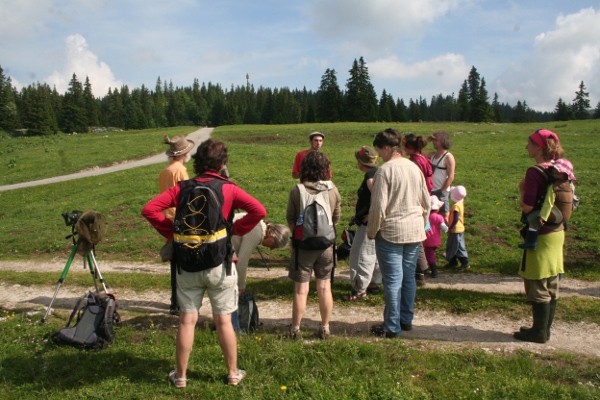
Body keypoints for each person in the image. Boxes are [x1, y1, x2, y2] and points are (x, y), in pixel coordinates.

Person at [142, 139, 266, 387]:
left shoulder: (182, 187)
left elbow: (149, 209)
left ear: (197, 161)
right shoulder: (228, 188)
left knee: (187, 320)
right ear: (222, 163)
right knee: (223, 321)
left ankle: (181, 376)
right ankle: (232, 373)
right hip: (220, 263)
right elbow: (259, 211)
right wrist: (233, 230)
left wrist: (173, 231)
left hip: (187, 263)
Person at [367, 128, 430, 338]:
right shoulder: (414, 168)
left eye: (379, 150)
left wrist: (372, 231)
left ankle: (391, 326)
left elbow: (378, 207)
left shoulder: (385, 171)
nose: (380, 155)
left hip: (391, 232)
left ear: (386, 148)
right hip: (414, 230)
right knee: (409, 278)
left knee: (393, 280)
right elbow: (426, 201)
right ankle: (406, 319)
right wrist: (422, 222)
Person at [514, 129, 566, 344]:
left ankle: (538, 333)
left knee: (536, 281)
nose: (527, 147)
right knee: (552, 280)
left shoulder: (535, 171)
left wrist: (522, 190)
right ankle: (544, 329)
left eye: (530, 143)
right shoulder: (559, 168)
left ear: (539, 147)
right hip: (557, 231)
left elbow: (527, 206)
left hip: (541, 234)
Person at [286, 151, 341, 339]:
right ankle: (325, 328)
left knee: (301, 289)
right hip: (326, 246)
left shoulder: (297, 190)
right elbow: (335, 219)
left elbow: (291, 219)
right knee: (325, 287)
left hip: (304, 246)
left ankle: (295, 330)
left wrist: (298, 237)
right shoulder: (333, 190)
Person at [159, 135, 195, 315]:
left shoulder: (165, 171)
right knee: (181, 263)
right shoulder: (180, 171)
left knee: (175, 261)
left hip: (167, 217)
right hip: (179, 218)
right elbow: (186, 196)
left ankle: (175, 300)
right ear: (184, 153)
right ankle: (178, 301)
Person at [342, 146, 382, 301]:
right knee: (374, 252)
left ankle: (359, 289)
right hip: (375, 222)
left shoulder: (370, 176)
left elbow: (378, 195)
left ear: (361, 162)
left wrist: (372, 214)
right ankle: (373, 283)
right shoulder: (377, 172)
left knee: (361, 254)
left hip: (369, 225)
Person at [518, 158, 576, 250]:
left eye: (557, 173)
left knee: (533, 218)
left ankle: (531, 241)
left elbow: (548, 203)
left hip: (557, 216)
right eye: (553, 172)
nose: (554, 174)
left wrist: (543, 216)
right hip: (565, 215)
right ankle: (563, 224)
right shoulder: (569, 185)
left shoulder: (553, 187)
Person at [231, 213, 290, 295]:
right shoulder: (257, 232)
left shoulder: (259, 225)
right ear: (271, 236)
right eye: (273, 245)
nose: (271, 248)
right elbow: (241, 262)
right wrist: (241, 287)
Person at [404, 133, 434, 285]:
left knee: (416, 238)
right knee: (418, 237)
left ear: (409, 147)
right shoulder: (424, 159)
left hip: (417, 201)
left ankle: (420, 271)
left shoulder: (414, 162)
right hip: (425, 198)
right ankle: (421, 270)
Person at [423, 130, 455, 221]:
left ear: (443, 141)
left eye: (436, 140)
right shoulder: (433, 155)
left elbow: (451, 177)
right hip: (431, 190)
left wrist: (441, 191)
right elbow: (419, 152)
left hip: (441, 192)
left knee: (445, 217)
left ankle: (451, 234)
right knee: (431, 218)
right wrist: (425, 141)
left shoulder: (448, 157)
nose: (434, 142)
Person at [444, 186, 470, 271]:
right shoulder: (460, 204)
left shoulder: (455, 207)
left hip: (455, 230)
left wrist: (450, 227)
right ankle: (452, 261)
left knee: (457, 246)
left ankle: (465, 263)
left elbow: (455, 218)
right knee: (453, 246)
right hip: (460, 229)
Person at [423, 195, 448, 278]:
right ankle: (429, 268)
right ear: (438, 208)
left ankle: (434, 271)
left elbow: (425, 229)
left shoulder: (426, 217)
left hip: (427, 240)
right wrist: (448, 229)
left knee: (429, 255)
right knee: (430, 254)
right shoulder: (439, 217)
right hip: (436, 240)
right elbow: (443, 227)